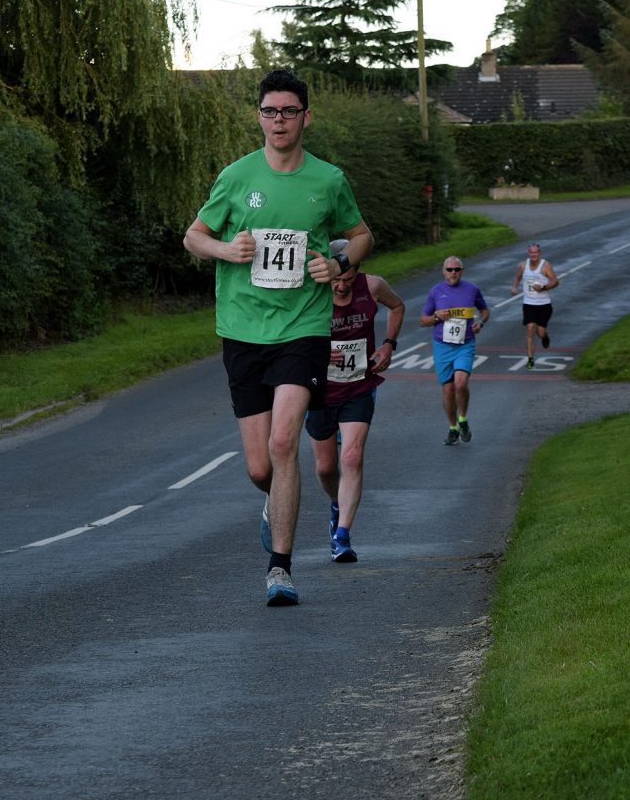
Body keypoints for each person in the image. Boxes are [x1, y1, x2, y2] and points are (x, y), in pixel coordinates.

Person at [183, 70, 374, 607]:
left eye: (289, 111)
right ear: (259, 117)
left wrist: (338, 263)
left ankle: (280, 570)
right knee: (260, 466)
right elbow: (194, 236)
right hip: (243, 329)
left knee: (285, 442)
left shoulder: (328, 180)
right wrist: (226, 250)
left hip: (303, 327)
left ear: (306, 117)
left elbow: (361, 235)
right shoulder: (236, 177)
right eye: (270, 111)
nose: (279, 121)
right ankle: (275, 501)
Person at [305, 239, 404, 563]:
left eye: (347, 279)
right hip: (320, 390)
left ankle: (342, 536)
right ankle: (337, 503)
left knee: (351, 457)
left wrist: (388, 344)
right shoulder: (311, 292)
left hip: (359, 386)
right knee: (325, 468)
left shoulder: (373, 286)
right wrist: (316, 354)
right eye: (336, 280)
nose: (341, 286)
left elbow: (397, 306)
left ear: (357, 270)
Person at [420, 256, 489, 446]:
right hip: (442, 346)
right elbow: (423, 320)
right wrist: (436, 317)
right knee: (448, 390)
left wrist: (480, 322)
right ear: (443, 271)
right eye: (449, 269)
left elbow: (484, 310)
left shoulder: (471, 289)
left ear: (462, 271)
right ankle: (453, 428)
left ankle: (463, 419)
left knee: (461, 382)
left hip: (465, 344)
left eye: (457, 269)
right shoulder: (435, 291)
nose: (453, 273)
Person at [510, 242, 559, 368]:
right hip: (529, 304)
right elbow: (517, 277)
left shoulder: (545, 265)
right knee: (530, 328)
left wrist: (543, 287)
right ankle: (530, 359)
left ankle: (545, 336)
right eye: (531, 252)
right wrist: (514, 287)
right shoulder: (523, 265)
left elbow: (555, 281)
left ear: (539, 253)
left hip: (544, 305)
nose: (533, 255)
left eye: (536, 252)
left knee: (540, 332)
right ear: (528, 253)